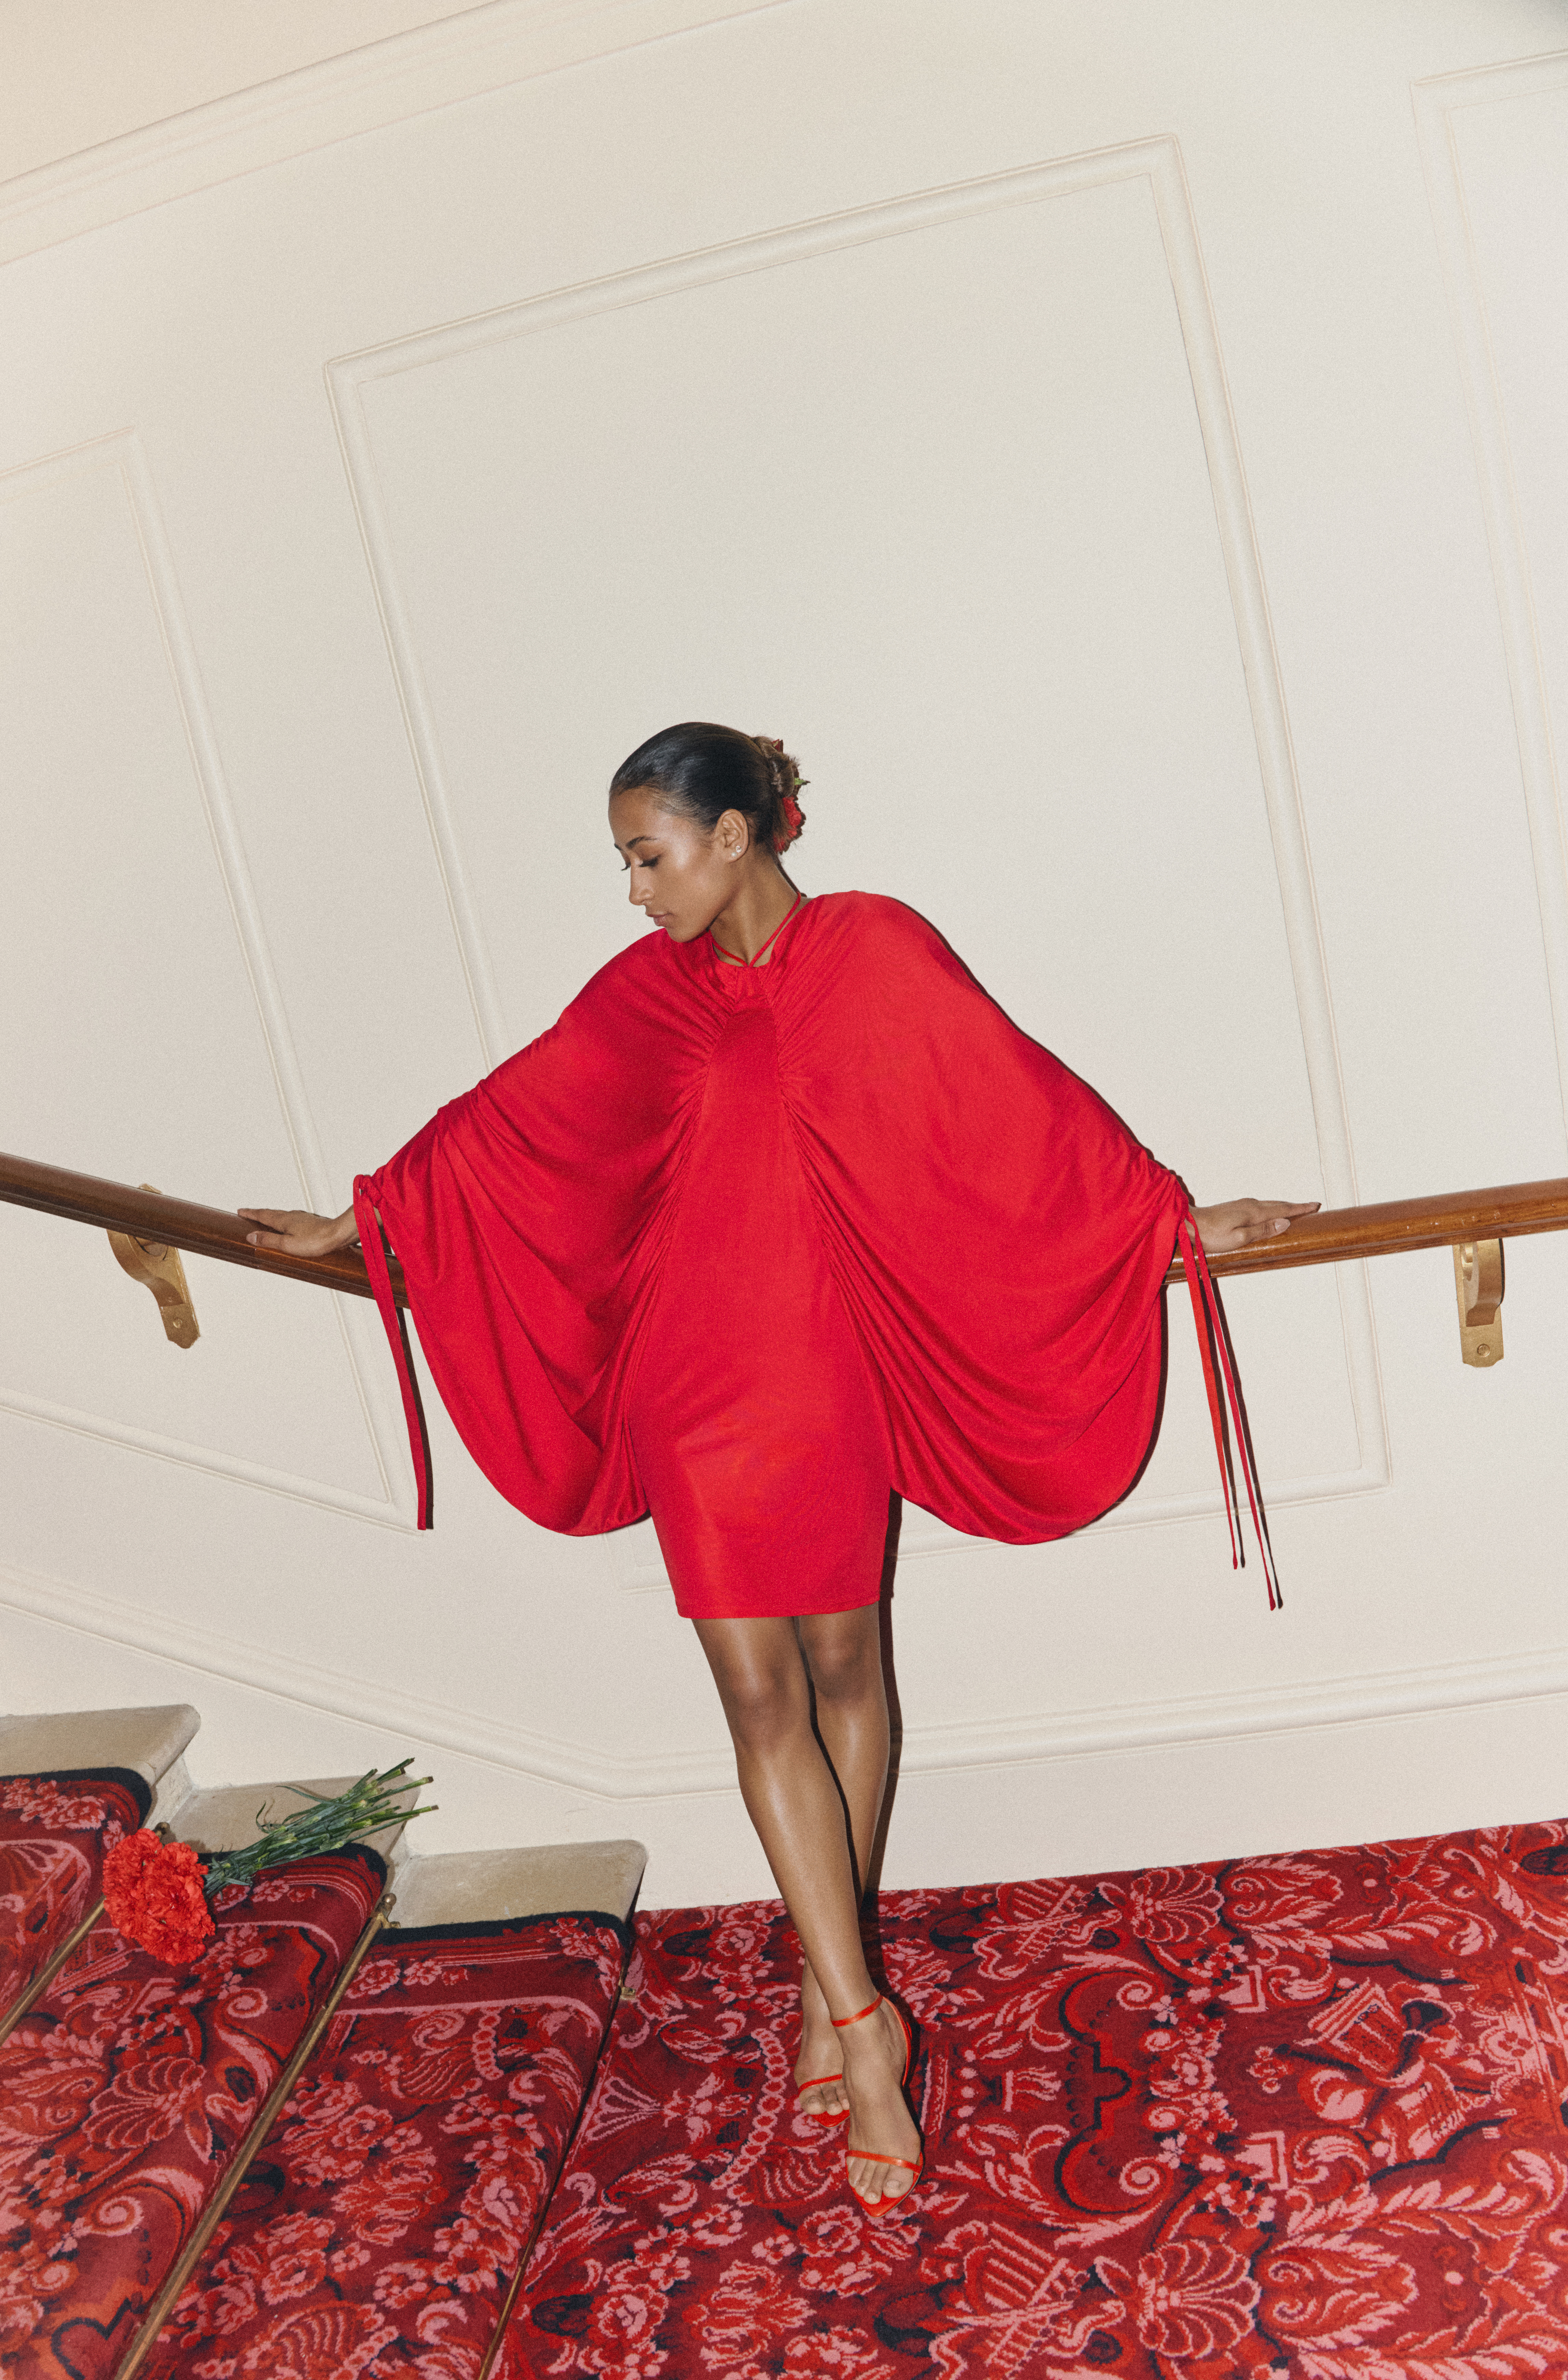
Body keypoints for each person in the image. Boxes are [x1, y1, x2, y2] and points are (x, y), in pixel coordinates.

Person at [241, 723, 1318, 2217]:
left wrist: (1164, 1219)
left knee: (847, 1668)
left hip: (824, 1366)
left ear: (736, 833)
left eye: (648, 855)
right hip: (693, 1380)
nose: (634, 890)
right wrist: (360, 1216)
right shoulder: (648, 992)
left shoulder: (873, 948)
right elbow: (510, 1125)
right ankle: (866, 2025)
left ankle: (826, 1974)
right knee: (757, 1696)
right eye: (625, 862)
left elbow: (1009, 1102)